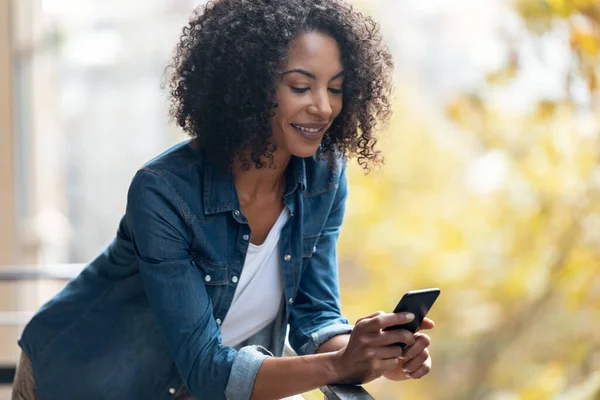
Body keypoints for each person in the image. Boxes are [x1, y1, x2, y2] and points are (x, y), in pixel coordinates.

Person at [12, 0, 435, 399]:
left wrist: (375, 355)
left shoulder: (324, 176)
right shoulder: (163, 191)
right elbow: (207, 368)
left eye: (336, 89)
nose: (324, 107)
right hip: (86, 379)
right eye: (301, 87)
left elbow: (316, 313)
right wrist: (341, 364)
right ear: (249, 85)